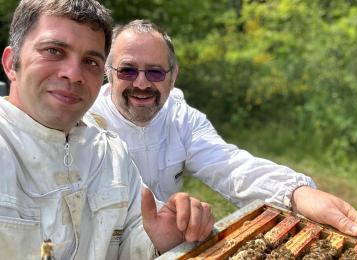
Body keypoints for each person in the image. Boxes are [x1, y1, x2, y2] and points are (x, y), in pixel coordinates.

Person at [90, 19, 357, 242]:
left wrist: (296, 193)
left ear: (173, 76)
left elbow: (231, 166)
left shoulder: (182, 118)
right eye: (127, 70)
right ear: (108, 71)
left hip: (170, 243)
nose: (141, 84)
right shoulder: (84, 122)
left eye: (155, 72)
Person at [0, 1, 214, 259]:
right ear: (12, 63)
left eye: (90, 61)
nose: (73, 74)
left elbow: (131, 237)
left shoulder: (113, 153)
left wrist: (159, 242)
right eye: (54, 51)